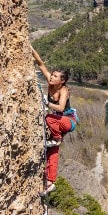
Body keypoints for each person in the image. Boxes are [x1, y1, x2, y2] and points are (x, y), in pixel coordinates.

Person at [31, 46, 77, 196]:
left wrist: (47, 103)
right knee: (52, 151)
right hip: (57, 122)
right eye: (53, 75)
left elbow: (61, 106)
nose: (51, 77)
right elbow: (41, 64)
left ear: (62, 81)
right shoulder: (51, 84)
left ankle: (56, 138)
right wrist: (31, 48)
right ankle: (50, 182)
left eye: (55, 76)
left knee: (49, 118)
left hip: (68, 121)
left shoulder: (64, 90)